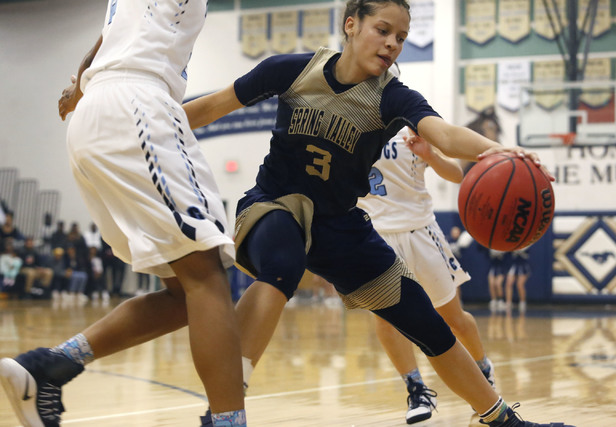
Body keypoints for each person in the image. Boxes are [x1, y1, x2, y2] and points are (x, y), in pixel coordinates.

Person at [186, 2, 570, 426]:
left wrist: (498, 150)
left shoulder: (391, 97)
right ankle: (225, 411)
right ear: (351, 25)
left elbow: (442, 134)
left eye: (401, 38)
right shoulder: (293, 69)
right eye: (383, 30)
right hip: (275, 204)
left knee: (427, 321)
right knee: (283, 263)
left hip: (340, 225)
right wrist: (139, 136)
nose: (392, 44)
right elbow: (207, 108)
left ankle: (501, 419)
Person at [0, 1, 246, 426]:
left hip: (94, 113)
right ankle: (229, 422)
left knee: (184, 295)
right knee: (206, 277)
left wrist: (78, 84)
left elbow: (105, 37)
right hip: (138, 104)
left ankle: (49, 367)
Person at [357, 125, 495, 424]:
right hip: (375, 235)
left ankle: (483, 369)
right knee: (386, 320)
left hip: (420, 231)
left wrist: (430, 154)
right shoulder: (349, 126)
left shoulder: (410, 122)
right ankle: (416, 388)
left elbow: (457, 175)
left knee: (452, 318)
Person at [504, 248, 531, 313]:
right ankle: (508, 303)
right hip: (514, 265)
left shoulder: (527, 243)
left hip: (523, 265)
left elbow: (527, 253)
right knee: (508, 283)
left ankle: (522, 302)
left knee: (520, 284)